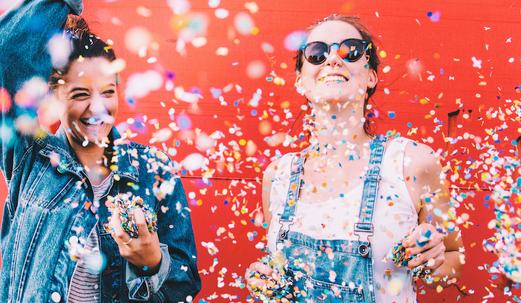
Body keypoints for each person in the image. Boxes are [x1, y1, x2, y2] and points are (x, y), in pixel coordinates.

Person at [246, 15, 464, 302]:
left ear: (371, 75)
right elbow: (277, 270)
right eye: (316, 53)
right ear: (301, 81)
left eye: (351, 50)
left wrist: (431, 261)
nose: (333, 59)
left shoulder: (412, 162)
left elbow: (453, 260)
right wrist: (264, 279)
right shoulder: (278, 175)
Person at [0, 0, 200, 302]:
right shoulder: (30, 160)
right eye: (80, 94)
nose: (97, 109)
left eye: (108, 91)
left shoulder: (154, 171)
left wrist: (152, 265)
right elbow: (6, 58)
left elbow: (184, 285)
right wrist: (64, 4)